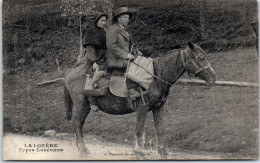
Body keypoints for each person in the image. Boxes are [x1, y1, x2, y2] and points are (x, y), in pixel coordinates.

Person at [106, 7, 142, 100]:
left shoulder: (126, 31)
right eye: (125, 17)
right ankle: (132, 92)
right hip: (115, 60)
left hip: (124, 59)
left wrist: (137, 52)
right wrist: (126, 55)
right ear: (118, 18)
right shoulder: (113, 30)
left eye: (128, 17)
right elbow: (111, 46)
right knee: (134, 67)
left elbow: (131, 45)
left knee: (143, 63)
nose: (127, 19)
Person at [83, 12, 108, 112]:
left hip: (104, 57)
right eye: (102, 20)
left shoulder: (103, 31)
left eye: (105, 20)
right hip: (95, 57)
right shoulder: (91, 31)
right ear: (97, 21)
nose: (104, 22)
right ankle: (92, 101)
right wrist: (94, 62)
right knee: (93, 75)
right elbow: (90, 48)